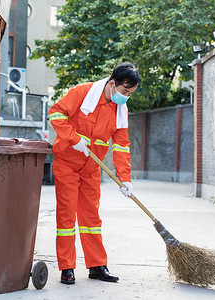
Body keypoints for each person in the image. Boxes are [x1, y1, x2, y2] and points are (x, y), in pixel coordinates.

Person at [48, 62, 141, 284]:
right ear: (112, 84)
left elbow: (121, 145)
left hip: (91, 168)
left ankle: (97, 265)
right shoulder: (82, 93)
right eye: (124, 91)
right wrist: (74, 138)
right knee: (67, 215)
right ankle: (67, 268)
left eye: (130, 94)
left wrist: (125, 179)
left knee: (91, 218)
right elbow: (55, 113)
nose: (126, 97)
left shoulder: (120, 110)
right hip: (67, 163)